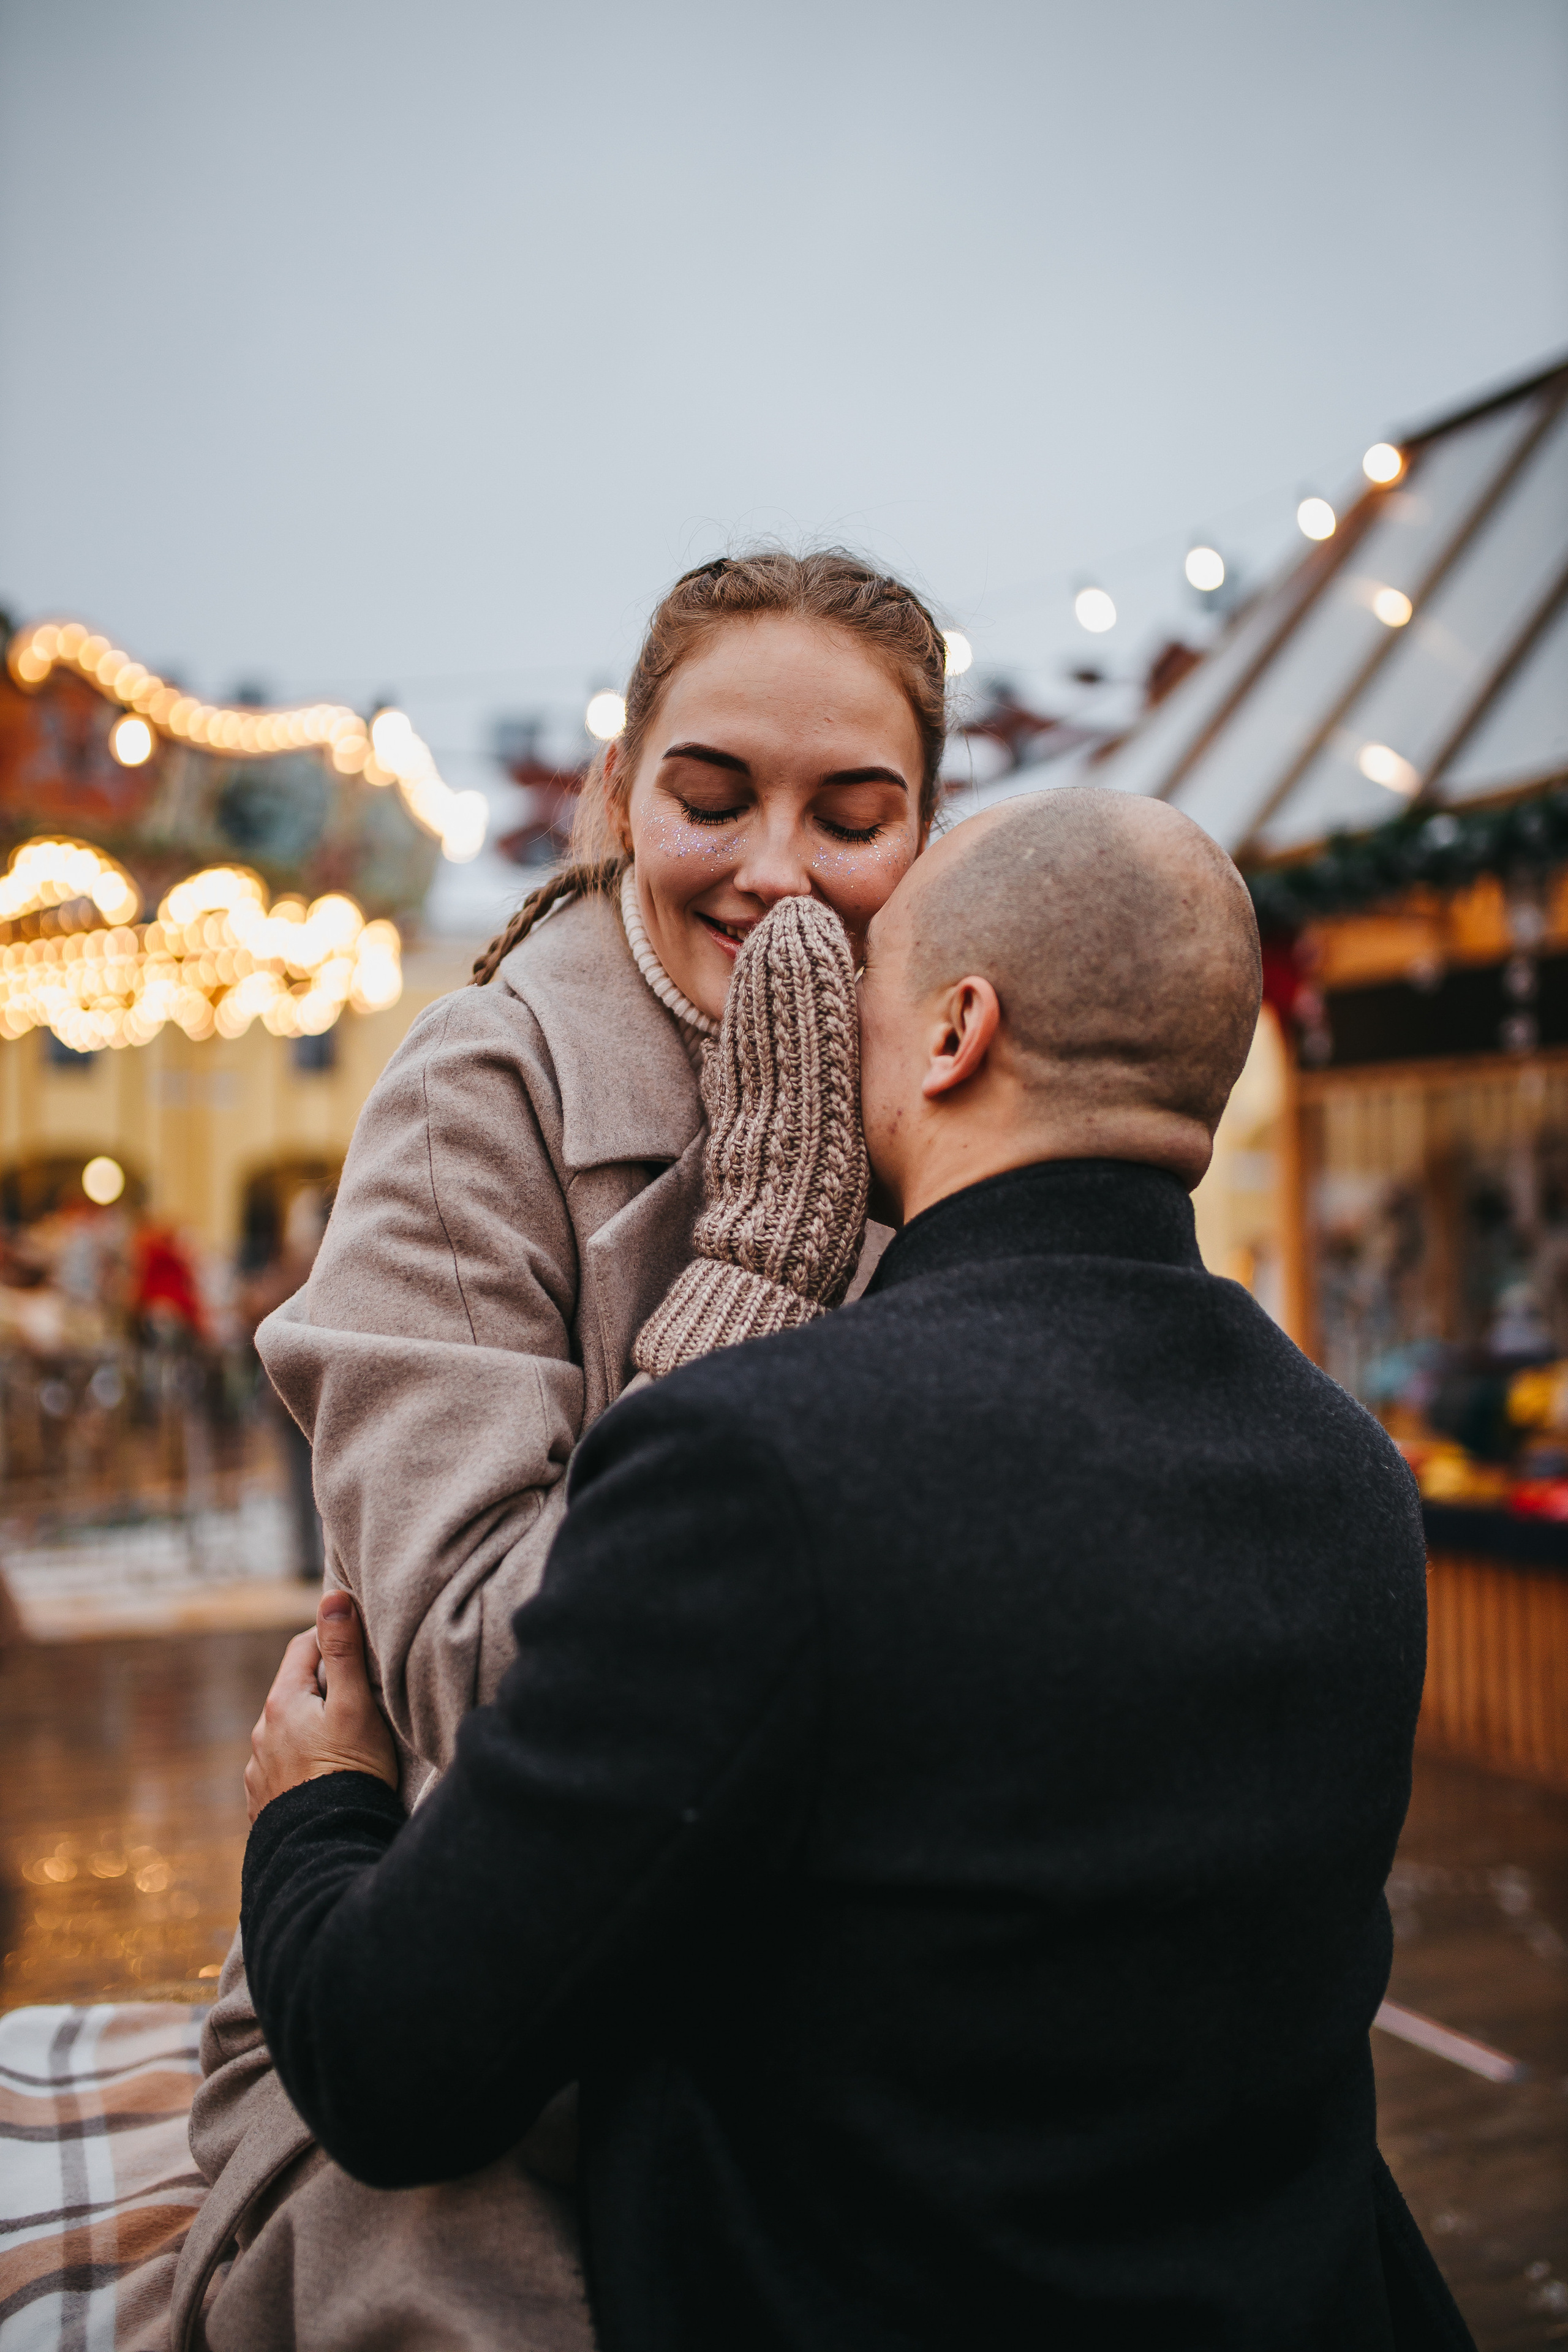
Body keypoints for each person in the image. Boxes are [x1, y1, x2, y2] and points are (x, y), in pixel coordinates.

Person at [238, 790, 1475, 2351]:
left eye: (865, 992)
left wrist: (320, 1802)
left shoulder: (756, 1466)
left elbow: (394, 2065)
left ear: (955, 1033)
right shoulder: (1347, 1474)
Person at [171, 548, 948, 2351]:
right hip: (491, 2003)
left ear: (931, 834)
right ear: (617, 796)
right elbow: (486, 1676)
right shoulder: (478, 1097)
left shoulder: (952, 1094)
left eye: (853, 814)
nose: (776, 867)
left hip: (864, 1983)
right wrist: (753, 1273)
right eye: (712, 795)